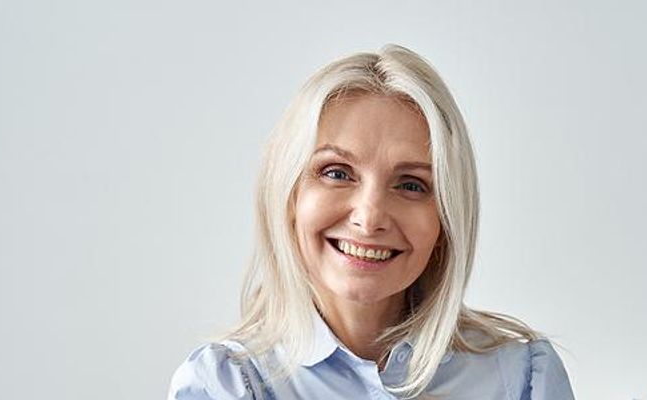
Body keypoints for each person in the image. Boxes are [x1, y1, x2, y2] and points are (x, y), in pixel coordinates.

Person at [168, 44, 574, 399]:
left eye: (412, 184)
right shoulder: (226, 384)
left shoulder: (524, 377)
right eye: (337, 172)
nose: (370, 217)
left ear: (447, 218)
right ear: (289, 195)